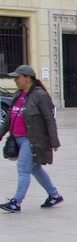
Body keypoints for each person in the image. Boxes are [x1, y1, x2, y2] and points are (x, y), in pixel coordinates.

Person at [0, 65, 62, 213]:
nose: (15, 81)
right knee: (34, 168)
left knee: (22, 169)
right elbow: (10, 117)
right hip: (17, 139)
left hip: (31, 139)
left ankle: (16, 201)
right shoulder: (19, 94)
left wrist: (54, 141)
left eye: (18, 78)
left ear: (27, 78)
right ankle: (54, 194)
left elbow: (49, 118)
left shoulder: (40, 95)